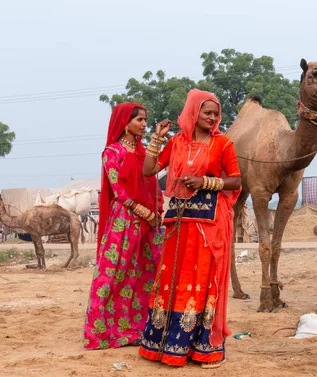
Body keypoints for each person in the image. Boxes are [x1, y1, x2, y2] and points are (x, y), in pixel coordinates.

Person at [138, 89, 241, 368]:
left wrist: (205, 182)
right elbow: (149, 170)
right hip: (178, 222)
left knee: (204, 280)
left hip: (210, 224)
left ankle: (204, 348)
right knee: (174, 277)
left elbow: (235, 180)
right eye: (207, 112)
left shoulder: (223, 144)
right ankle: (165, 345)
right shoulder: (177, 143)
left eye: (215, 114)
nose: (212, 118)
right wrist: (157, 139)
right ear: (194, 113)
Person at [83, 103, 168, 349]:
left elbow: (152, 182)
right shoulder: (112, 152)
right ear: (125, 122)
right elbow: (118, 190)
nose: (143, 124)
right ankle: (102, 332)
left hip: (150, 222)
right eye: (139, 120)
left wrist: (156, 212)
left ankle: (141, 328)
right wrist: (144, 213)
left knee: (148, 273)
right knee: (113, 274)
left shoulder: (144, 152)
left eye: (145, 120)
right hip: (126, 220)